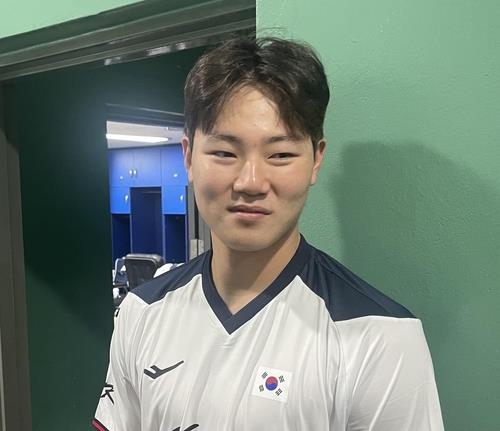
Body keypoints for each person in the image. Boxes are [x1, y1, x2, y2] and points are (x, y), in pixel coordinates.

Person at [92, 36, 444, 431]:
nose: (251, 181)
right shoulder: (140, 312)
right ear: (188, 156)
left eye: (280, 155)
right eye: (225, 152)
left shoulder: (381, 336)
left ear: (316, 160)